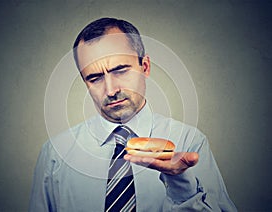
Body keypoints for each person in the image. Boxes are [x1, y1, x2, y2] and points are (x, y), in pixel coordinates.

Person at [29, 17, 237, 211]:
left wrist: (181, 183)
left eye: (120, 70)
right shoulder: (55, 155)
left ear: (144, 66)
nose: (111, 90)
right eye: (95, 78)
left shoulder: (189, 142)